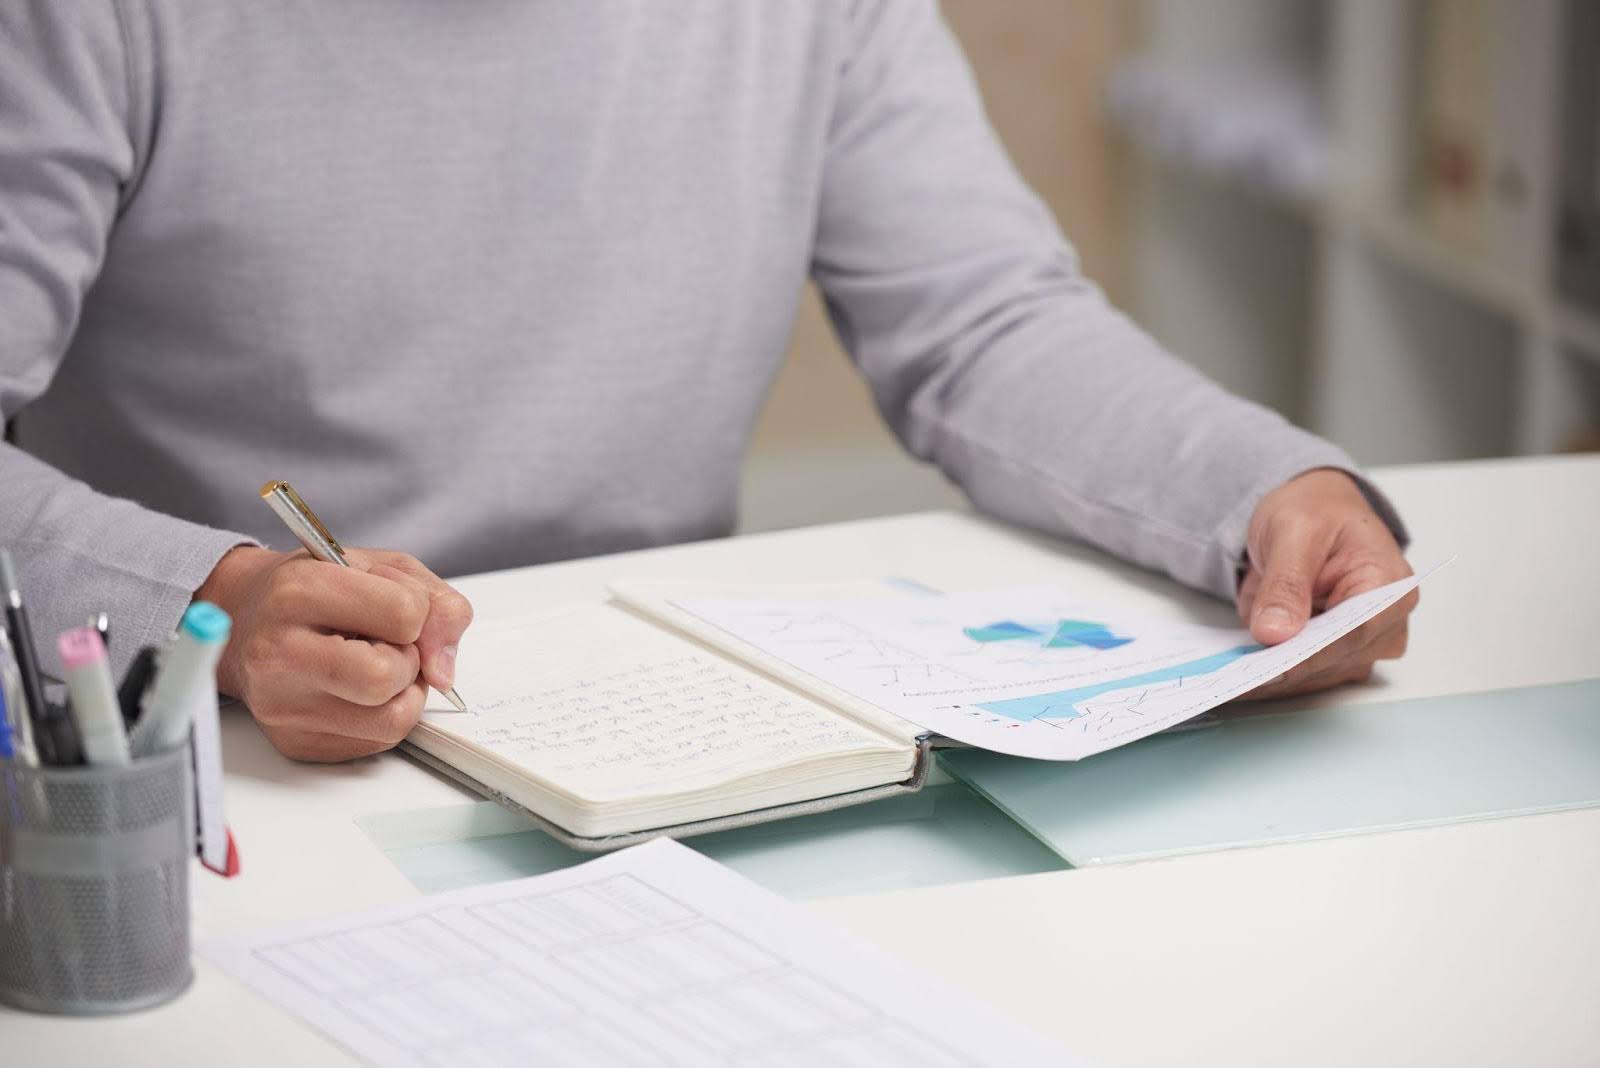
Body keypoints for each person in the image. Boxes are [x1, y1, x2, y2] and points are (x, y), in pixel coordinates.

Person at [0, 2, 1414, 763]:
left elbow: (986, 322)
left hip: (663, 732)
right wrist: (222, 607)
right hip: (207, 754)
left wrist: (1263, 487)